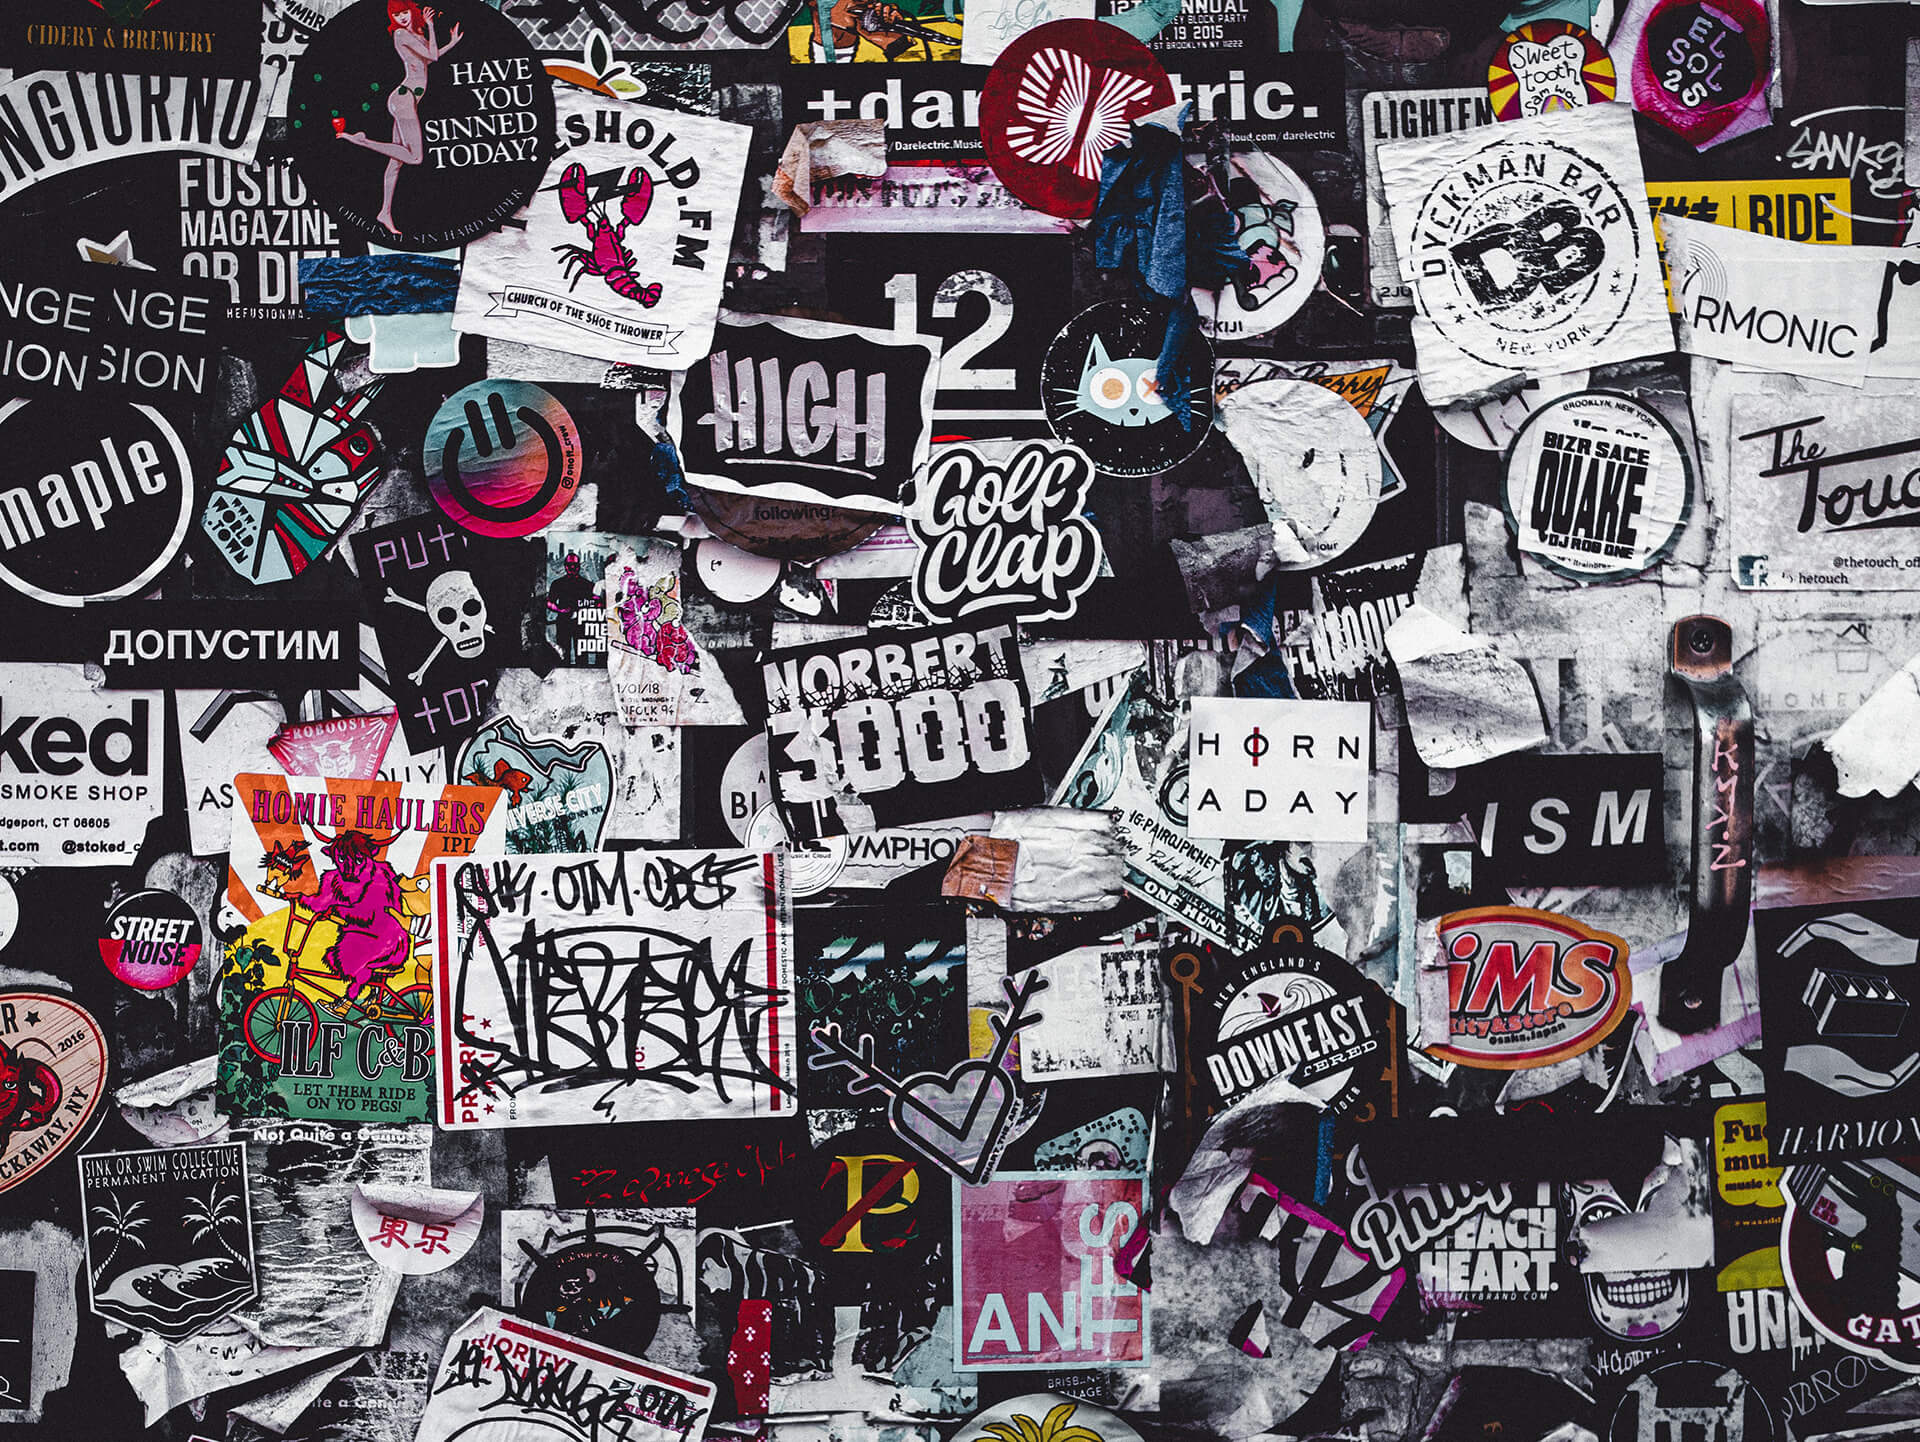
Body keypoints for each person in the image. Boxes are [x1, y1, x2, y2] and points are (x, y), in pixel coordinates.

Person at [338, 0, 462, 236]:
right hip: (404, 99)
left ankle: (384, 212)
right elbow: (433, 57)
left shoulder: (415, 34)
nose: (402, 17)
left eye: (404, 12)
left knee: (396, 162)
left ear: (411, 11)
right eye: (396, 15)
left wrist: (452, 43)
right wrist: (431, 26)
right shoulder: (400, 35)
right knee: (415, 157)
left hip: (409, 99)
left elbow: (428, 59)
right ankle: (362, 141)